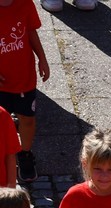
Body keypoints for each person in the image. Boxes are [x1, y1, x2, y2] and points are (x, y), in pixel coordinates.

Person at [0, 0, 49, 182]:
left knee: (27, 119)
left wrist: (42, 59)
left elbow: (30, 31)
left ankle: (25, 154)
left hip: (23, 78)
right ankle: (4, 154)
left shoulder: (25, 4)